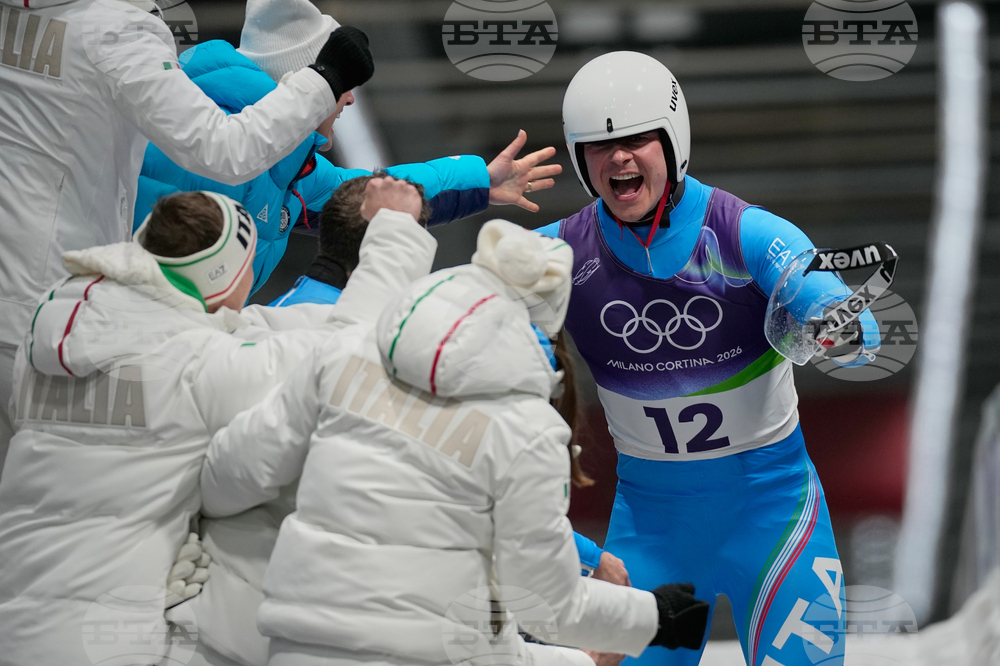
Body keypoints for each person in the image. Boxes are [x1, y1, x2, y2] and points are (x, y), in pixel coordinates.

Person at [200, 219, 712, 666]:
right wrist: (654, 617)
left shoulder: (349, 351)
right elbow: (543, 600)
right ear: (547, 326)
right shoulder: (528, 427)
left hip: (296, 646)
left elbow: (231, 474)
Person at [535, 52, 884, 665]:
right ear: (579, 159)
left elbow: (850, 322)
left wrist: (834, 326)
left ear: (673, 142)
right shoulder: (554, 255)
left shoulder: (746, 233)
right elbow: (446, 313)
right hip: (652, 525)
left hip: (773, 513)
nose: (619, 157)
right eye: (599, 145)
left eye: (638, 138)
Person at [0, 181, 436, 665]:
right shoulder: (197, 369)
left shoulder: (45, 343)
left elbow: (222, 334)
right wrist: (393, 230)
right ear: (226, 280)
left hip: (13, 622)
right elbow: (344, 357)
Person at [0, 0, 377, 468]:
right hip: (44, 310)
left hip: (33, 298)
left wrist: (475, 182)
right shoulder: (112, 31)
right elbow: (223, 148)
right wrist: (326, 77)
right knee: (64, 489)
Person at [135, 0, 561, 293]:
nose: (350, 99)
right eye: (341, 86)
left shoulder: (290, 165)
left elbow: (372, 192)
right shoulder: (192, 138)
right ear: (303, 84)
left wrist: (478, 181)